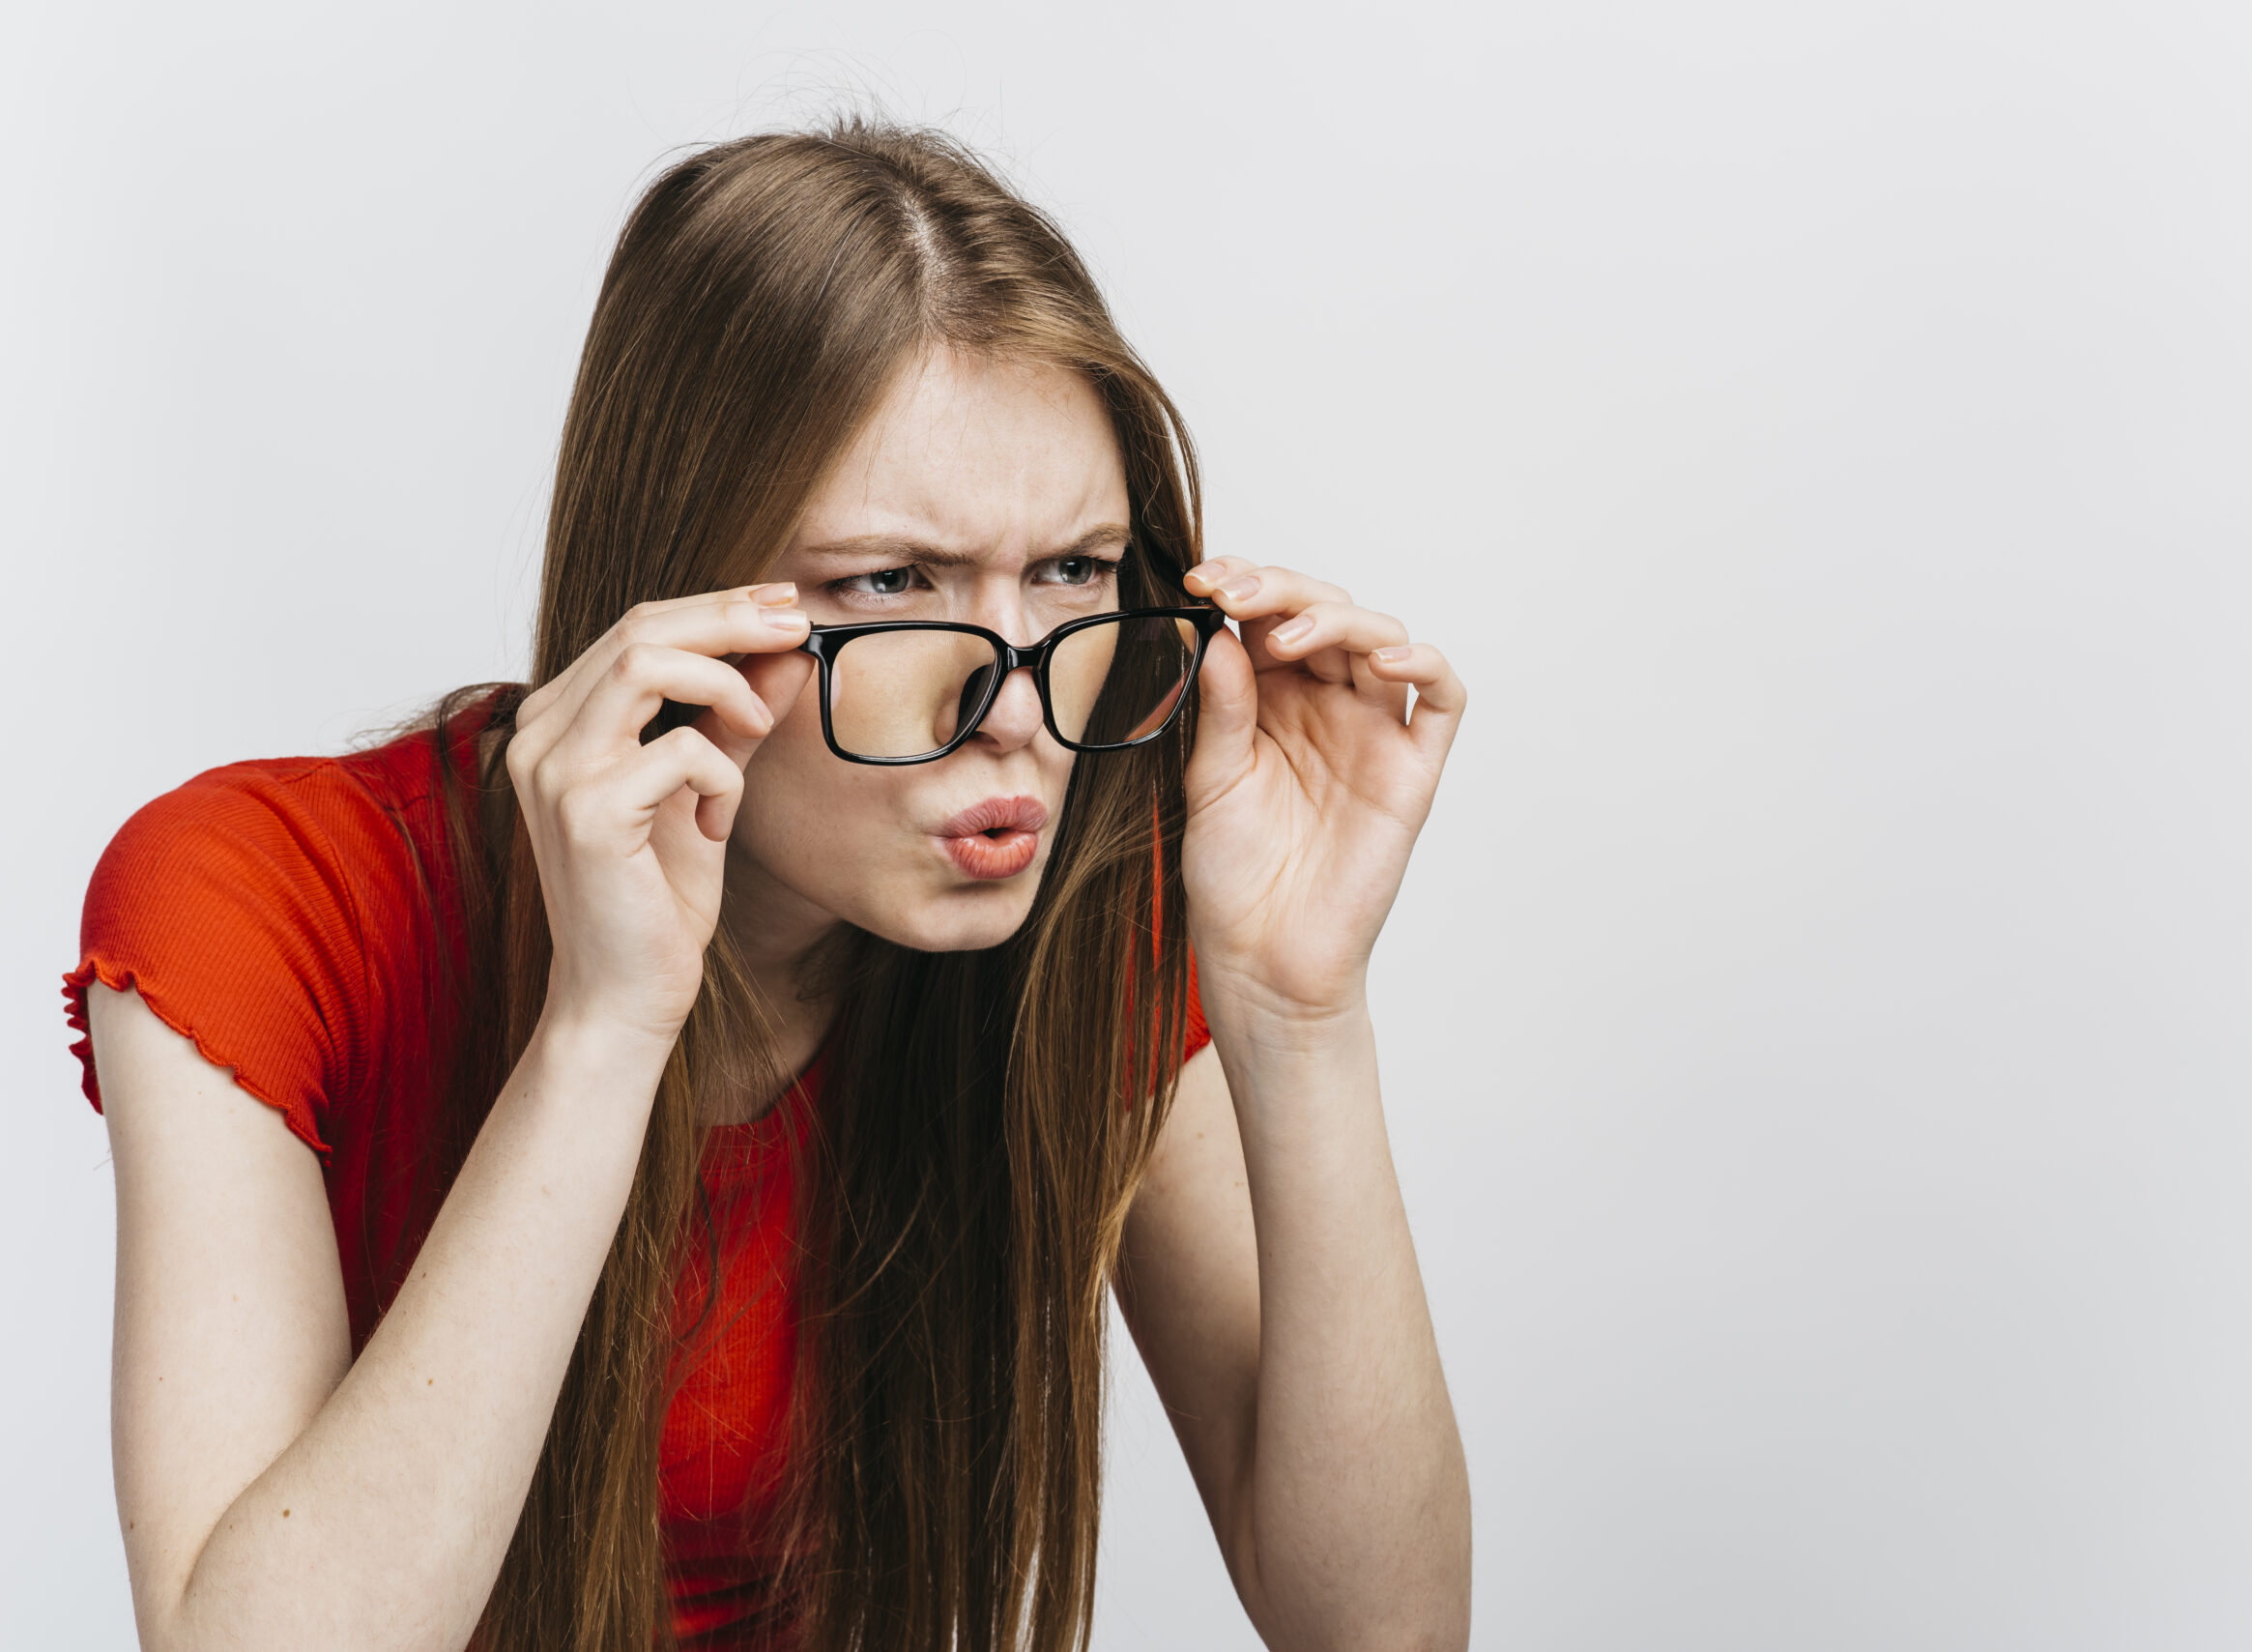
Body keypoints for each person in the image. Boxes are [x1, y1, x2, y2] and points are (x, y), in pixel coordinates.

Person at [68, 123, 1469, 1652]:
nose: (1010, 704)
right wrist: (604, 1028)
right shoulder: (261, 898)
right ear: (674, 588)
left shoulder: (1090, 910)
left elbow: (1382, 1636)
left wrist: (1301, 1009)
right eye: (890, 581)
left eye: (1074, 570)